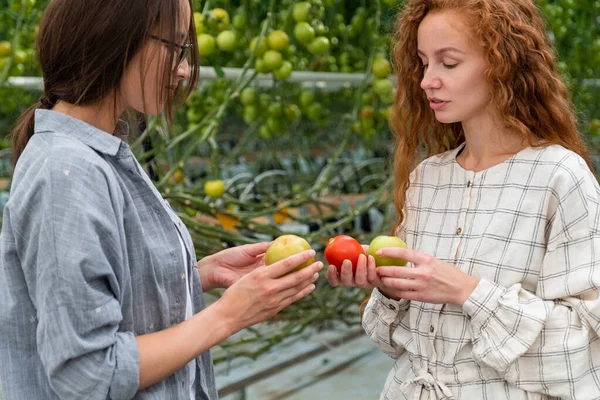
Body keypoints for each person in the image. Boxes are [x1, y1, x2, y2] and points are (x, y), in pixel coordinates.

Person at [0, 0, 323, 399]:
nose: (185, 69)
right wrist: (229, 314)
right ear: (115, 34)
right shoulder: (66, 171)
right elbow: (88, 373)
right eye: (175, 46)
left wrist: (196, 275)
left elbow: (106, 291)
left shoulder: (104, 153)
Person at [327, 0, 600, 398]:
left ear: (503, 64)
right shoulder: (428, 178)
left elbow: (582, 348)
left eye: (448, 63)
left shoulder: (560, 178)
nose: (426, 81)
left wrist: (468, 291)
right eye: (423, 63)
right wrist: (389, 289)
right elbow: (397, 344)